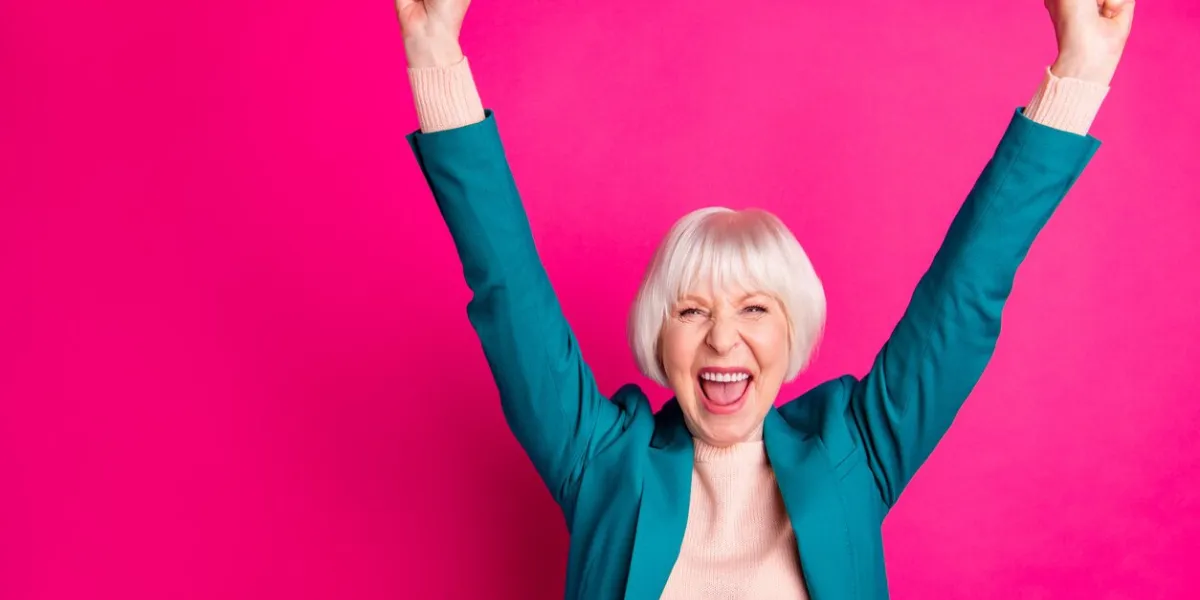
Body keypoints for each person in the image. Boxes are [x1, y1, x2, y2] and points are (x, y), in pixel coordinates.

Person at [396, 0, 1135, 597]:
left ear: (793, 333)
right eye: (692, 310)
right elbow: (508, 289)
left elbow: (966, 294)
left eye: (755, 309)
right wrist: (435, 56)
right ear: (660, 337)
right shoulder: (602, 462)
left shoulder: (857, 452)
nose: (723, 340)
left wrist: (1079, 73)